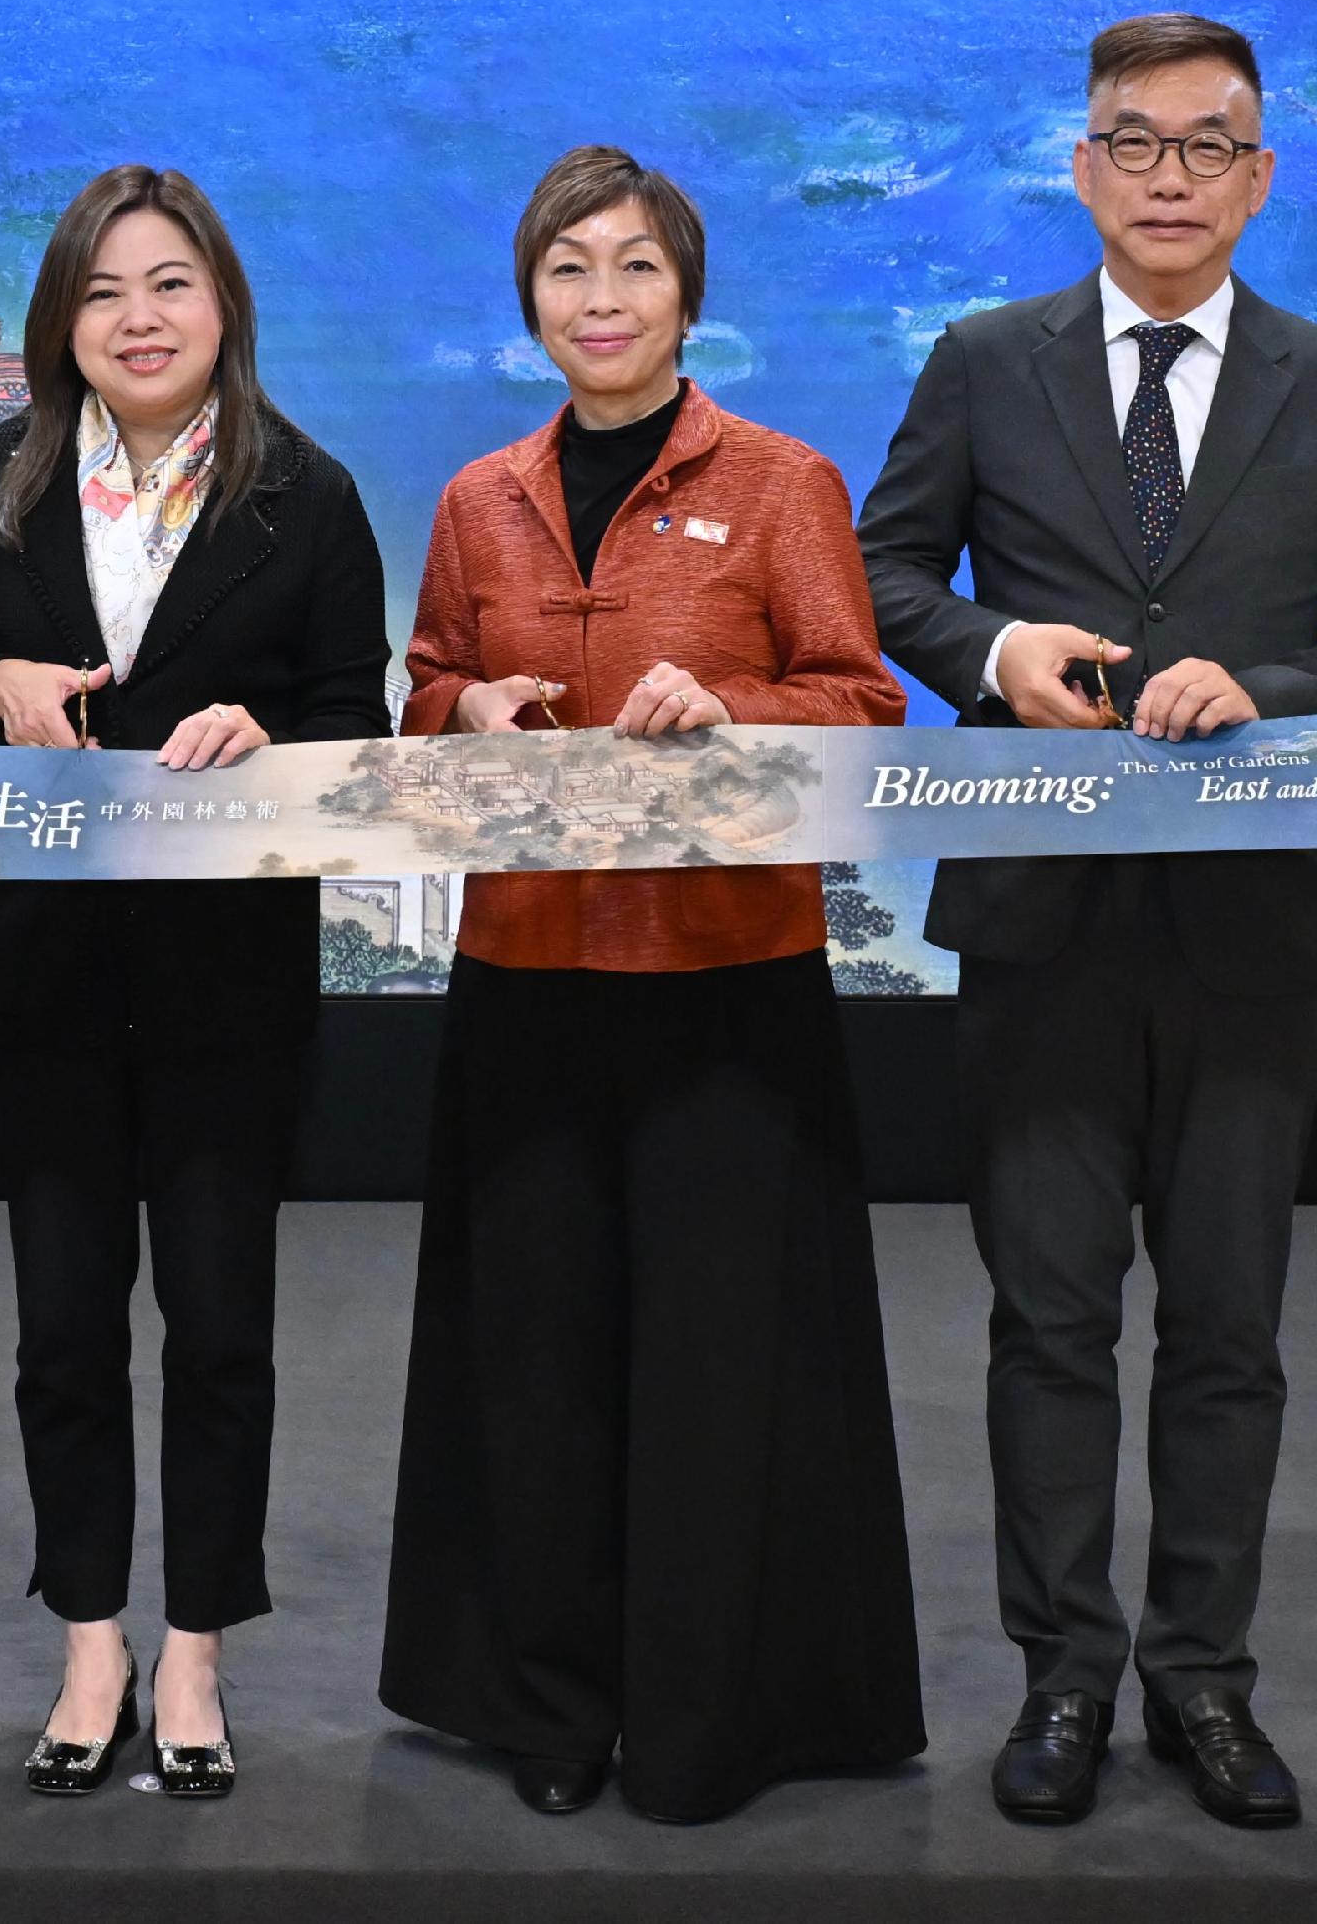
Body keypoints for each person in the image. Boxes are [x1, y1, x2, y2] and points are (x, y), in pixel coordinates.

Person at [859, 13, 1317, 1831]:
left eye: (1208, 147)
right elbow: (885, 571)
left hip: (1248, 928)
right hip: (1039, 918)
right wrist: (994, 650)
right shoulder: (987, 359)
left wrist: (1264, 689)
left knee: (1228, 1330)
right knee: (1048, 1322)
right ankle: (1063, 1675)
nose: (1170, 177)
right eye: (1136, 141)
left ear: (1259, 178)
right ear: (1083, 165)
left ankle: (1204, 1681)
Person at [375, 145, 924, 1826]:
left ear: (688, 298)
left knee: (718, 1360)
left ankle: (709, 1715)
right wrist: (463, 708)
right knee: (534, 1353)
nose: (600, 299)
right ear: (529, 300)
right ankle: (548, 1701)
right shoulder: (480, 499)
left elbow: (864, 702)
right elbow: (426, 689)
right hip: (527, 975)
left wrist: (736, 708)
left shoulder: (781, 483)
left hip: (726, 983)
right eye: (568, 269)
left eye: (634, 267)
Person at [0, 168, 390, 1800]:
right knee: (61, 1331)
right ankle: (91, 1638)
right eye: (104, 292)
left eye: (170, 283)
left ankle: (196, 1649)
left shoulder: (307, 493)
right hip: (42, 970)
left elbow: (357, 715)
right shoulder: (3, 476)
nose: (139, 318)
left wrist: (274, 735)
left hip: (226, 981)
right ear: (65, 322)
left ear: (223, 304)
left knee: (221, 1330)